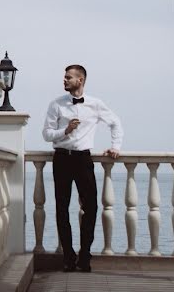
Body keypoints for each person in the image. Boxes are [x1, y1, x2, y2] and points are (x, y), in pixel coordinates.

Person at [42, 64, 123, 273]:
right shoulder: (56, 105)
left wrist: (116, 146)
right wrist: (65, 131)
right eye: (64, 77)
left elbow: (115, 123)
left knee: (91, 208)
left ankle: (85, 256)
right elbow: (46, 134)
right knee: (62, 208)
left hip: (83, 161)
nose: (64, 80)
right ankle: (68, 257)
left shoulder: (95, 104)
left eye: (69, 77)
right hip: (62, 159)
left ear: (81, 80)